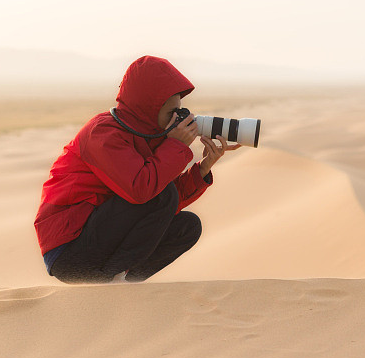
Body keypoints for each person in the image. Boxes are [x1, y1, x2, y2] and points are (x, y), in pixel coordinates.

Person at [33, 55, 242, 284]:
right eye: (171, 112)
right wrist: (175, 146)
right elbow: (142, 191)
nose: (177, 118)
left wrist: (203, 167)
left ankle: (126, 284)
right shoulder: (103, 132)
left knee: (187, 227)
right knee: (161, 193)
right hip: (68, 249)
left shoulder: (150, 137)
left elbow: (162, 207)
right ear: (149, 108)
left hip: (99, 240)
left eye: (179, 111)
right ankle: (114, 283)